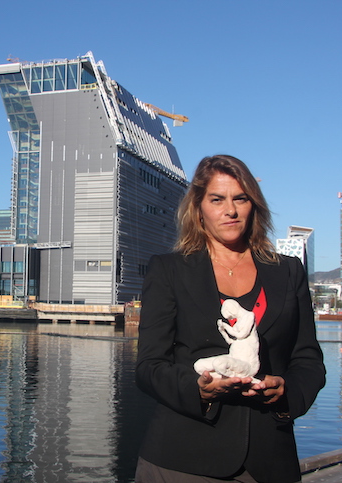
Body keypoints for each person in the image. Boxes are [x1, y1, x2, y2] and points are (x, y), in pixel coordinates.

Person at [135, 154, 326, 483]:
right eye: (217, 199)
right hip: (182, 459)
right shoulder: (169, 270)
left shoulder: (289, 271)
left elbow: (307, 358)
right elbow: (149, 366)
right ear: (198, 207)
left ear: (254, 205)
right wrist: (199, 390)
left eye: (241, 198)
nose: (231, 210)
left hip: (269, 462)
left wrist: (288, 392)